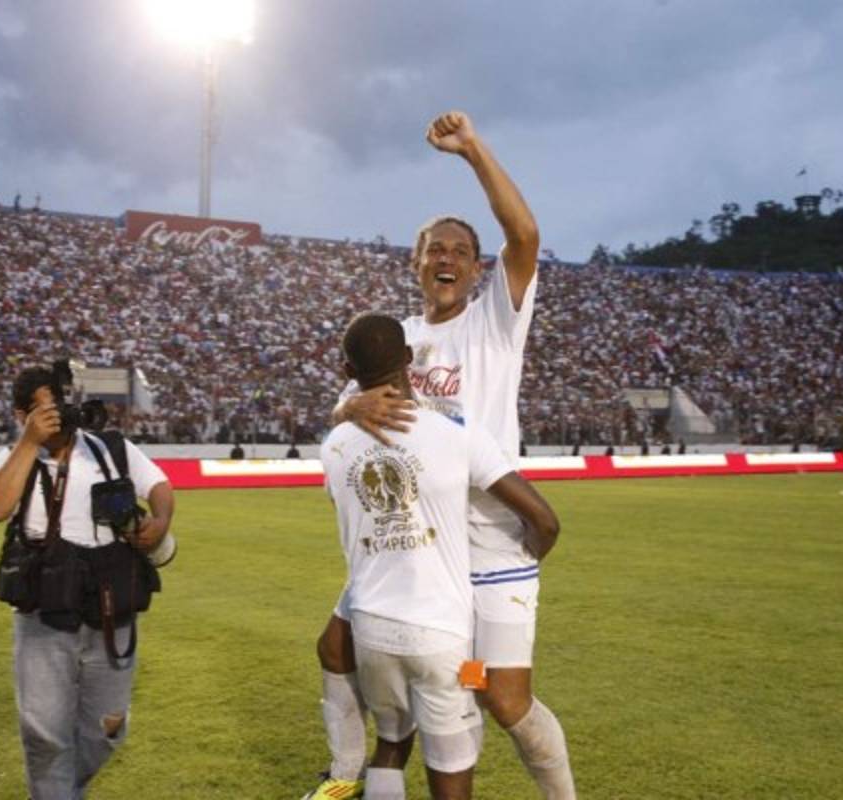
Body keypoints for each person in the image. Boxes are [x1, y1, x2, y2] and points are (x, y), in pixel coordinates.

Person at [306, 111, 577, 799]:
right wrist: (347, 408)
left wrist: (472, 149)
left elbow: (526, 235)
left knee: (503, 699)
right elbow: (342, 415)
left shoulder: (494, 321)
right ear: (416, 262)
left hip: (488, 540)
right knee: (338, 647)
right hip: (415, 540)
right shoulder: (395, 338)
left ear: (477, 268)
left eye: (460, 250)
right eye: (435, 249)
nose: (447, 258)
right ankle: (342, 779)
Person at [321, 314, 560, 800]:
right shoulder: (454, 433)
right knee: (450, 769)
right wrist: (523, 559)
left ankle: (344, 774)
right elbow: (546, 522)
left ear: (348, 370)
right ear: (410, 359)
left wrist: (345, 412)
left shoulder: (334, 447)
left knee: (391, 742)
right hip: (439, 633)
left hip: (371, 627)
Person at [0, 365, 174, 799]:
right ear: (21, 415)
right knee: (45, 734)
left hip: (112, 607)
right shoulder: (14, 458)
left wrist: (159, 523)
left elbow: (160, 485)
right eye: (44, 410)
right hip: (44, 612)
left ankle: (62, 790)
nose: (58, 417)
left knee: (109, 728)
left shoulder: (110, 448)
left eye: (61, 406)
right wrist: (30, 441)